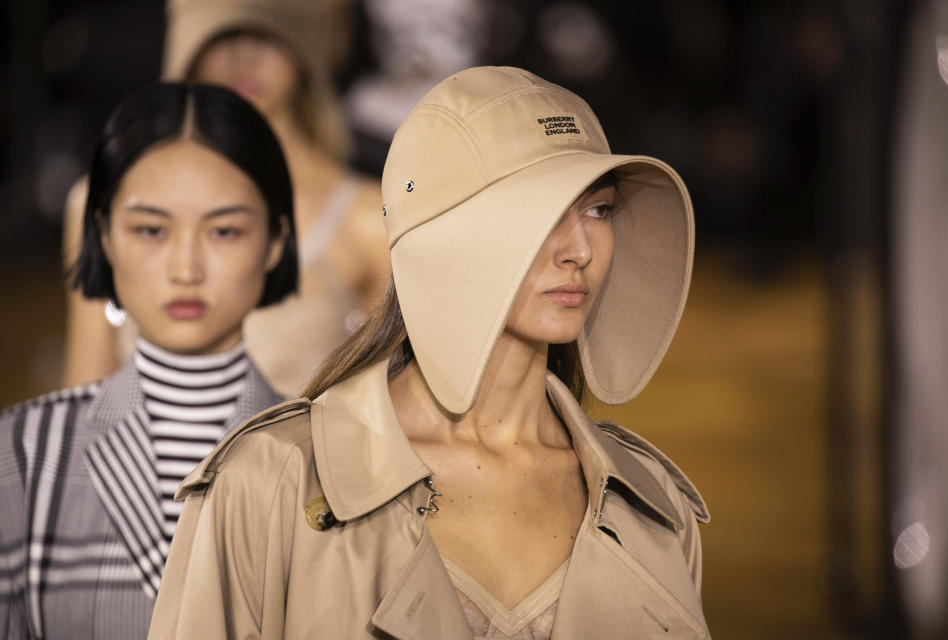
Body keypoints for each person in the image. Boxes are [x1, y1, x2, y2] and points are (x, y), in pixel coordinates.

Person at [150, 66, 711, 639]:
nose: (580, 251)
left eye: (598, 210)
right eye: (539, 211)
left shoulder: (654, 507)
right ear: (438, 232)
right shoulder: (270, 484)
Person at [0, 82, 298, 639]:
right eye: (152, 230)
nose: (186, 267)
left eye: (225, 230)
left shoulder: (330, 460)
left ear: (275, 241)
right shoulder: (18, 455)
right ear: (103, 236)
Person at [63, 0, 390, 397]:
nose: (243, 57)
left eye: (267, 35)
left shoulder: (371, 220)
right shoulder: (101, 203)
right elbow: (84, 400)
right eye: (222, 36)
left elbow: (386, 421)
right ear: (188, 46)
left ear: (306, 43)